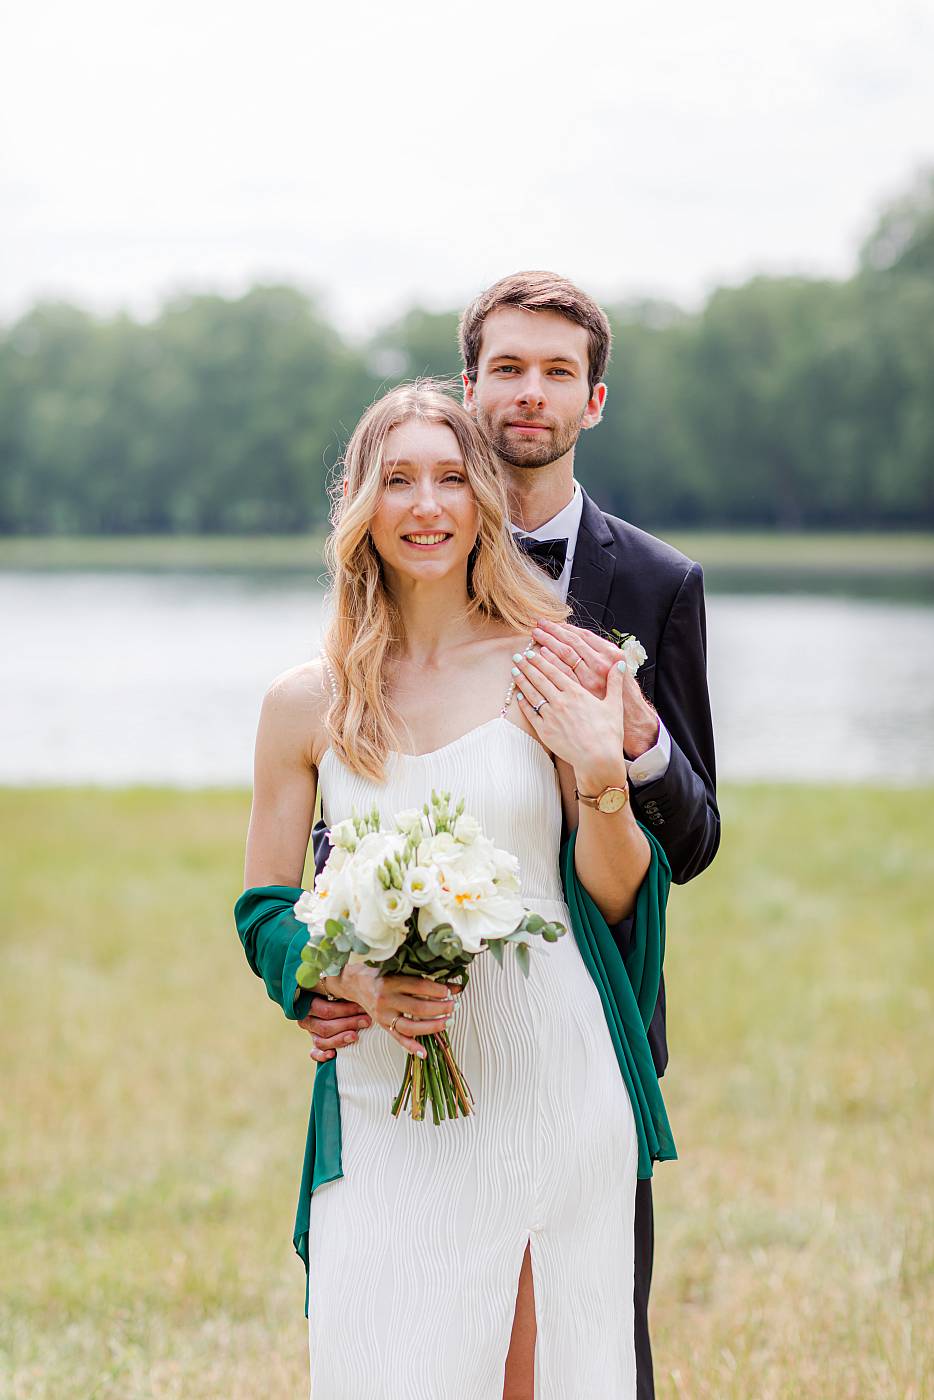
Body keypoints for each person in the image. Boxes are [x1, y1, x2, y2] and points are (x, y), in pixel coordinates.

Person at [299, 272, 720, 1400]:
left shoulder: (654, 584)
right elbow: (328, 853)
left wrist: (622, 757)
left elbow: (692, 834)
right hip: (404, 1043)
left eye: (556, 371)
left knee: (584, 1336)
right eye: (506, 367)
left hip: (578, 1020)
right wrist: (330, 968)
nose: (528, 392)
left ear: (592, 400)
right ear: (470, 384)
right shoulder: (338, 673)